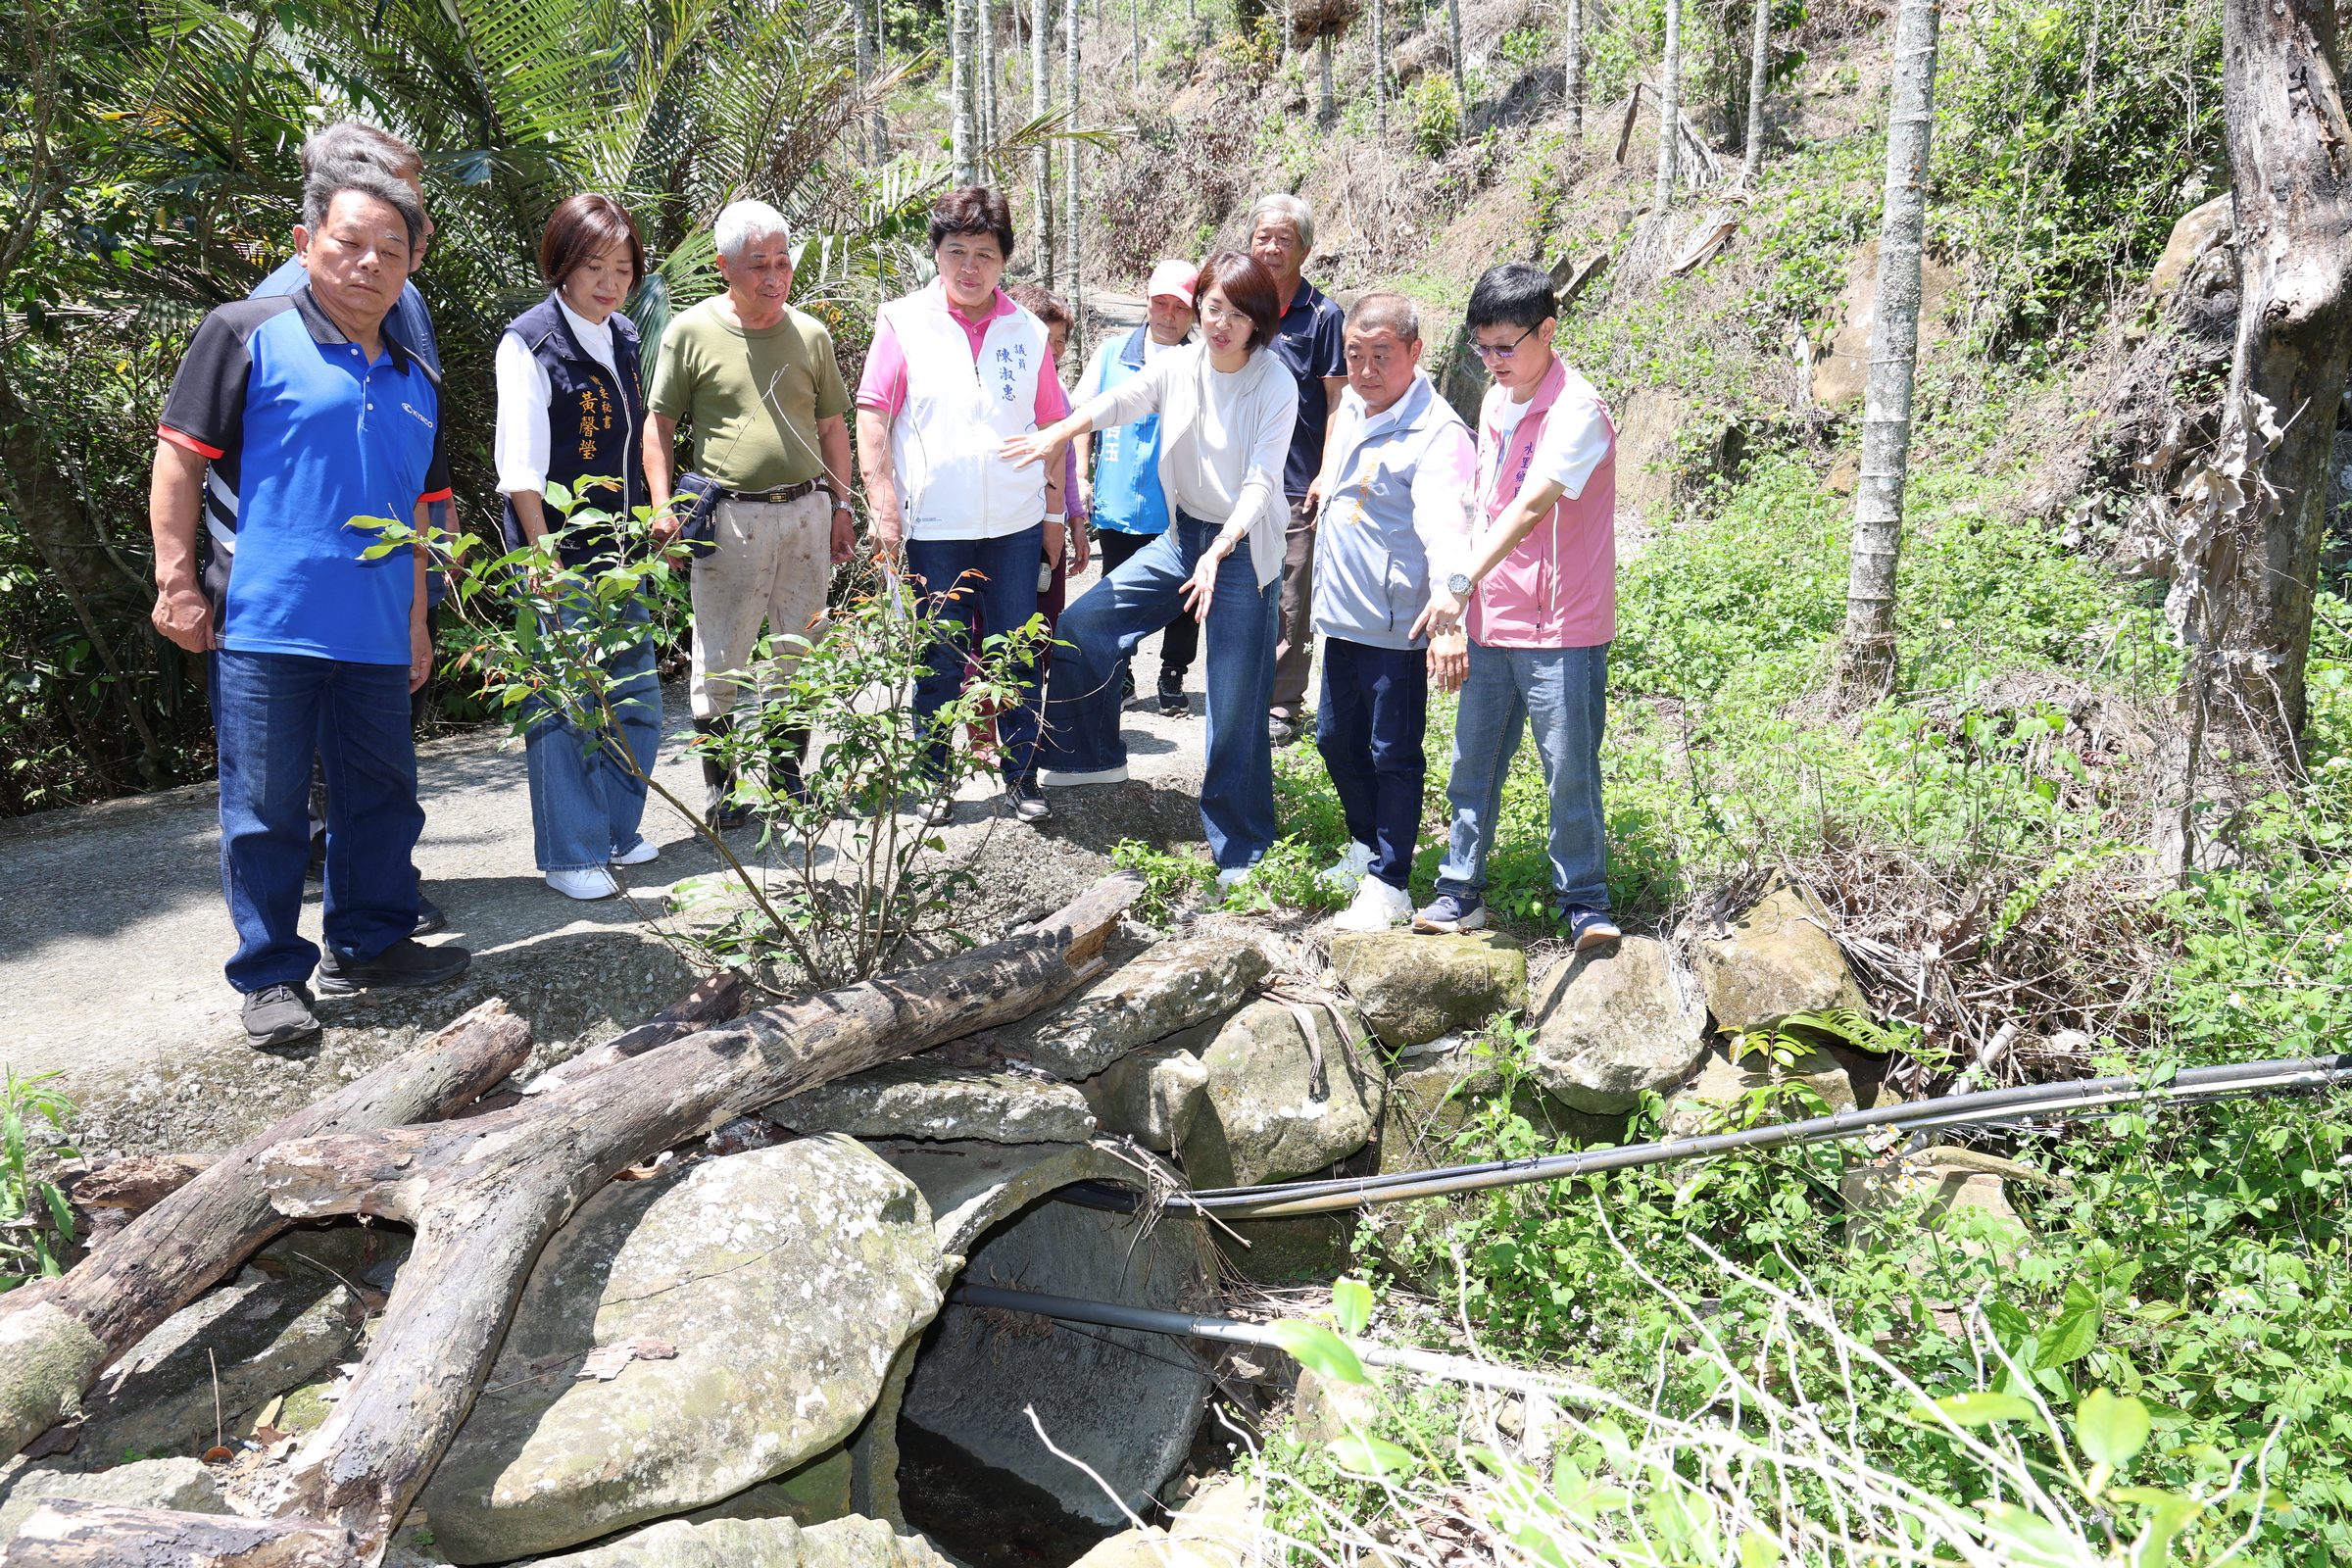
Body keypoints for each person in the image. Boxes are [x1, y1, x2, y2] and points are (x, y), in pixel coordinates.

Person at [150, 163, 471, 1050]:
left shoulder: (416, 378)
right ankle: (270, 975)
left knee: (383, 797)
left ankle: (369, 940)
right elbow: (178, 458)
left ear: (412, 267)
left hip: (374, 630)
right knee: (265, 805)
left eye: (391, 251)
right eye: (349, 243)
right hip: (263, 622)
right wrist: (176, 582)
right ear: (306, 246)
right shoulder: (244, 333)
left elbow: (422, 512)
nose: (369, 263)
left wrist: (417, 621)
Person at [1000, 251, 1297, 885]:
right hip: (1183, 536)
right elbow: (1117, 402)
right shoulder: (1179, 365)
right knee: (1082, 625)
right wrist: (1057, 437)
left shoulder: (1274, 382)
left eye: (1238, 316)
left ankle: (1242, 847)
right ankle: (1091, 759)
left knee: (1233, 704)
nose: (1221, 324)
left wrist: (1222, 551)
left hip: (1242, 551)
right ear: (1200, 305)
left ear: (1258, 324)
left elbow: (1263, 480)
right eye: (1213, 307)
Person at [247, 121, 448, 936]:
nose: (415, 206)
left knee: (378, 758)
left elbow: (418, 435)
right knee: (280, 776)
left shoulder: (406, 292)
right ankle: (285, 939)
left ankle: (373, 901)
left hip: (388, 567)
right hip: (291, 586)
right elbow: (221, 464)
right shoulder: (270, 311)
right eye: (400, 183)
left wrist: (429, 580)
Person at [1409, 263, 1623, 951]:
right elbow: (1485, 503)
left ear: (1548, 331)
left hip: (1563, 623)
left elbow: (1532, 507)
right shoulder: (1497, 401)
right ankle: (1458, 890)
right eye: (1483, 348)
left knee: (1569, 769)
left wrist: (1459, 585)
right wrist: (1462, 601)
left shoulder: (1578, 411)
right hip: (1492, 614)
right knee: (1473, 763)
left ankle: (1585, 903)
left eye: (1507, 347)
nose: (1494, 362)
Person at [856, 187, 1068, 826]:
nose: (969, 268)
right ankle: (928, 785)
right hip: (934, 528)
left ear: (1004, 261)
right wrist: (883, 501)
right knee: (938, 660)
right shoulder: (903, 321)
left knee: (1017, 655)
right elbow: (872, 414)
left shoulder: (1026, 330)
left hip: (1013, 527)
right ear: (937, 255)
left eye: (985, 254)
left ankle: (1022, 780)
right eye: (956, 253)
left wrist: (1051, 510)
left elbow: (1055, 423)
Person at [644, 200, 857, 830]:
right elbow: (659, 424)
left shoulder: (810, 334)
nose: (773, 276)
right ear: (723, 267)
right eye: (758, 263)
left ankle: (789, 782)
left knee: (801, 648)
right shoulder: (690, 332)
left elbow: (831, 427)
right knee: (721, 653)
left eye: (783, 262)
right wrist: (661, 508)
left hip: (805, 514)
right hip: (729, 519)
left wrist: (841, 505)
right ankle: (724, 790)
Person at [494, 193, 662, 901]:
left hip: (623, 553)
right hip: (559, 555)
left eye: (622, 267)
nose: (610, 281)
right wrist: (544, 562)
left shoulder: (622, 336)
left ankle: (615, 832)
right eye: (594, 265)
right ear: (561, 263)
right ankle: (569, 852)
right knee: (565, 707)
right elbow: (520, 467)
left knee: (636, 697)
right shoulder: (530, 340)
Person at [1308, 294, 1476, 932]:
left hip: (1396, 629)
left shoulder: (1436, 434)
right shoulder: (1354, 401)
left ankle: (1391, 883)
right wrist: (1327, 478)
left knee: (1392, 754)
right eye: (1355, 354)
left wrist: (1448, 613)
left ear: (1414, 352)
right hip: (1344, 619)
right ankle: (1364, 846)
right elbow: (1341, 434)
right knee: (1333, 740)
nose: (1367, 368)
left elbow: (1444, 527)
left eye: (1382, 355)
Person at [1074, 259, 1199, 717]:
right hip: (1119, 500)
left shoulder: (1202, 362)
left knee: (1184, 595)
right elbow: (1084, 413)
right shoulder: (1112, 353)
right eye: (1159, 303)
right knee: (1117, 591)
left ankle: (1173, 673)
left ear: (1193, 313)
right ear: (1147, 303)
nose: (1168, 315)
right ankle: (1121, 672)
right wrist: (1082, 478)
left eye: (1179, 307)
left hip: (1180, 503)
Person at [1246, 193, 1348, 751]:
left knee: (1290, 594)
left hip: (1295, 480)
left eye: (1285, 238)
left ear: (1305, 249)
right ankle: (1240, 692)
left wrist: (1326, 469)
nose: (1272, 247)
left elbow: (1337, 400)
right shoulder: (1239, 302)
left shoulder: (1324, 315)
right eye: (1264, 236)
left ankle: (1283, 702)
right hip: (1237, 482)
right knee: (1238, 587)